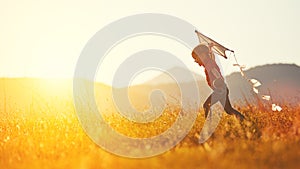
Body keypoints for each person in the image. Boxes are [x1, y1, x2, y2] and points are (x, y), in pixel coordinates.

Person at [191, 43, 245, 121]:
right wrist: (210, 48)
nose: (195, 61)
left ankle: (207, 125)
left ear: (203, 55)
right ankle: (244, 120)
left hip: (220, 90)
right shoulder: (209, 62)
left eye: (196, 58)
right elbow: (211, 57)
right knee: (229, 110)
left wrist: (218, 79)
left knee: (206, 105)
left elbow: (215, 72)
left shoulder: (210, 64)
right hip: (222, 89)